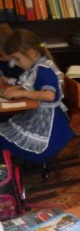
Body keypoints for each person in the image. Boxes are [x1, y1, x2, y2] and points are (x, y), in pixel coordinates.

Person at [0, 29, 73, 162]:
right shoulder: (37, 67)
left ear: (31, 53)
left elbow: (49, 96)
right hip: (40, 117)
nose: (16, 63)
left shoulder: (44, 69)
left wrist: (22, 92)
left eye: (17, 59)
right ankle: (5, 170)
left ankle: (4, 172)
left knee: (3, 137)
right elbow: (31, 84)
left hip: (51, 128)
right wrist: (18, 87)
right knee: (3, 131)